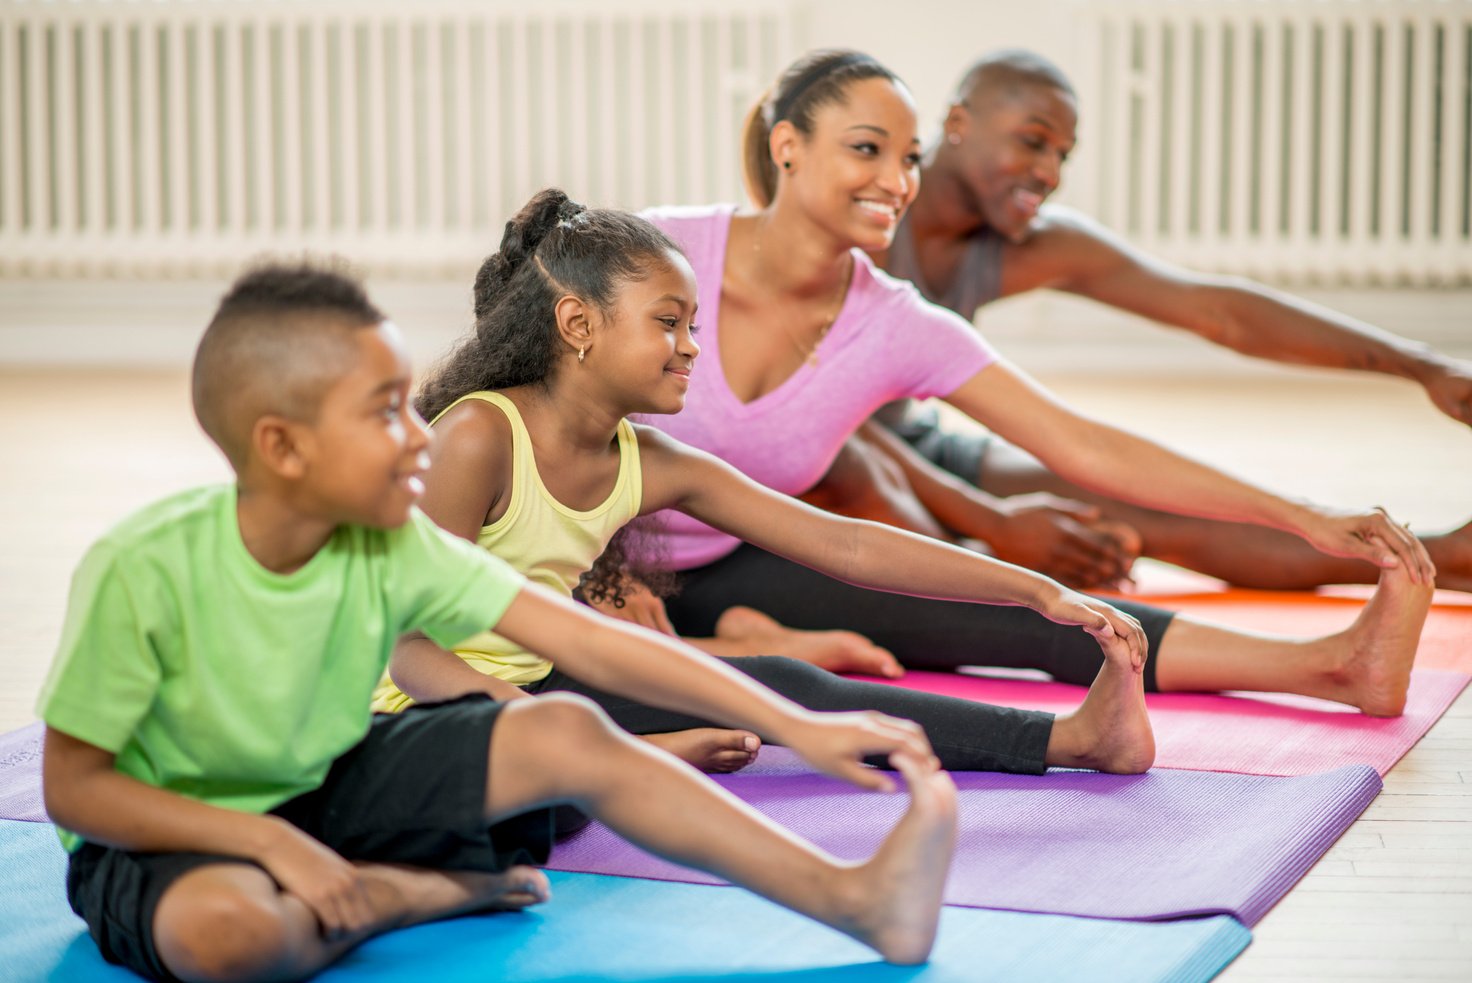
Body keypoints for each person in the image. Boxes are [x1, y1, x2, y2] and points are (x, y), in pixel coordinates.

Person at [36, 263, 964, 981]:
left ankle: (855, 898)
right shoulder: (142, 567)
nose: (418, 432)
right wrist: (269, 842)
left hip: (323, 781)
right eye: (385, 412)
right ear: (282, 446)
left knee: (562, 722)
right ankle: (412, 894)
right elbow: (77, 790)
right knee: (229, 937)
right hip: (173, 836)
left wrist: (798, 722)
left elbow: (589, 644)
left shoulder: (387, 543)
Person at [603, 48, 1434, 717]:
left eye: (909, 158)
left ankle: (1331, 667)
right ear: (788, 146)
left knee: (1011, 600)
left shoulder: (893, 321)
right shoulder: (659, 250)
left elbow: (1082, 444)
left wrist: (1304, 514)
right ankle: (734, 646)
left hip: (723, 559)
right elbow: (525, 410)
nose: (896, 180)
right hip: (563, 557)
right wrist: (601, 570)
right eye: (867, 149)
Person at [372, 188, 1157, 780]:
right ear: (578, 325)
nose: (690, 349)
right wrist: (604, 745)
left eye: (693, 326)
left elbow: (845, 544)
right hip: (417, 713)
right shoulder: (477, 438)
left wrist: (1035, 589)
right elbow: (409, 653)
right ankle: (623, 762)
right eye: (667, 323)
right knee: (554, 794)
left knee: (782, 685)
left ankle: (1072, 740)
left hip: (539, 686)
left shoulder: (648, 459)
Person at [814, 48, 1472, 592]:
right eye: (1032, 142)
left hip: (920, 445)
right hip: (827, 462)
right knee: (946, 546)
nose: (1047, 172)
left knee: (1146, 510)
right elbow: (819, 427)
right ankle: (976, 553)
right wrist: (994, 522)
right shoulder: (857, 212)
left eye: (1062, 156)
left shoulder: (1027, 242)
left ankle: (1441, 557)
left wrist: (1421, 365)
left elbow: (1218, 311)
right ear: (958, 121)